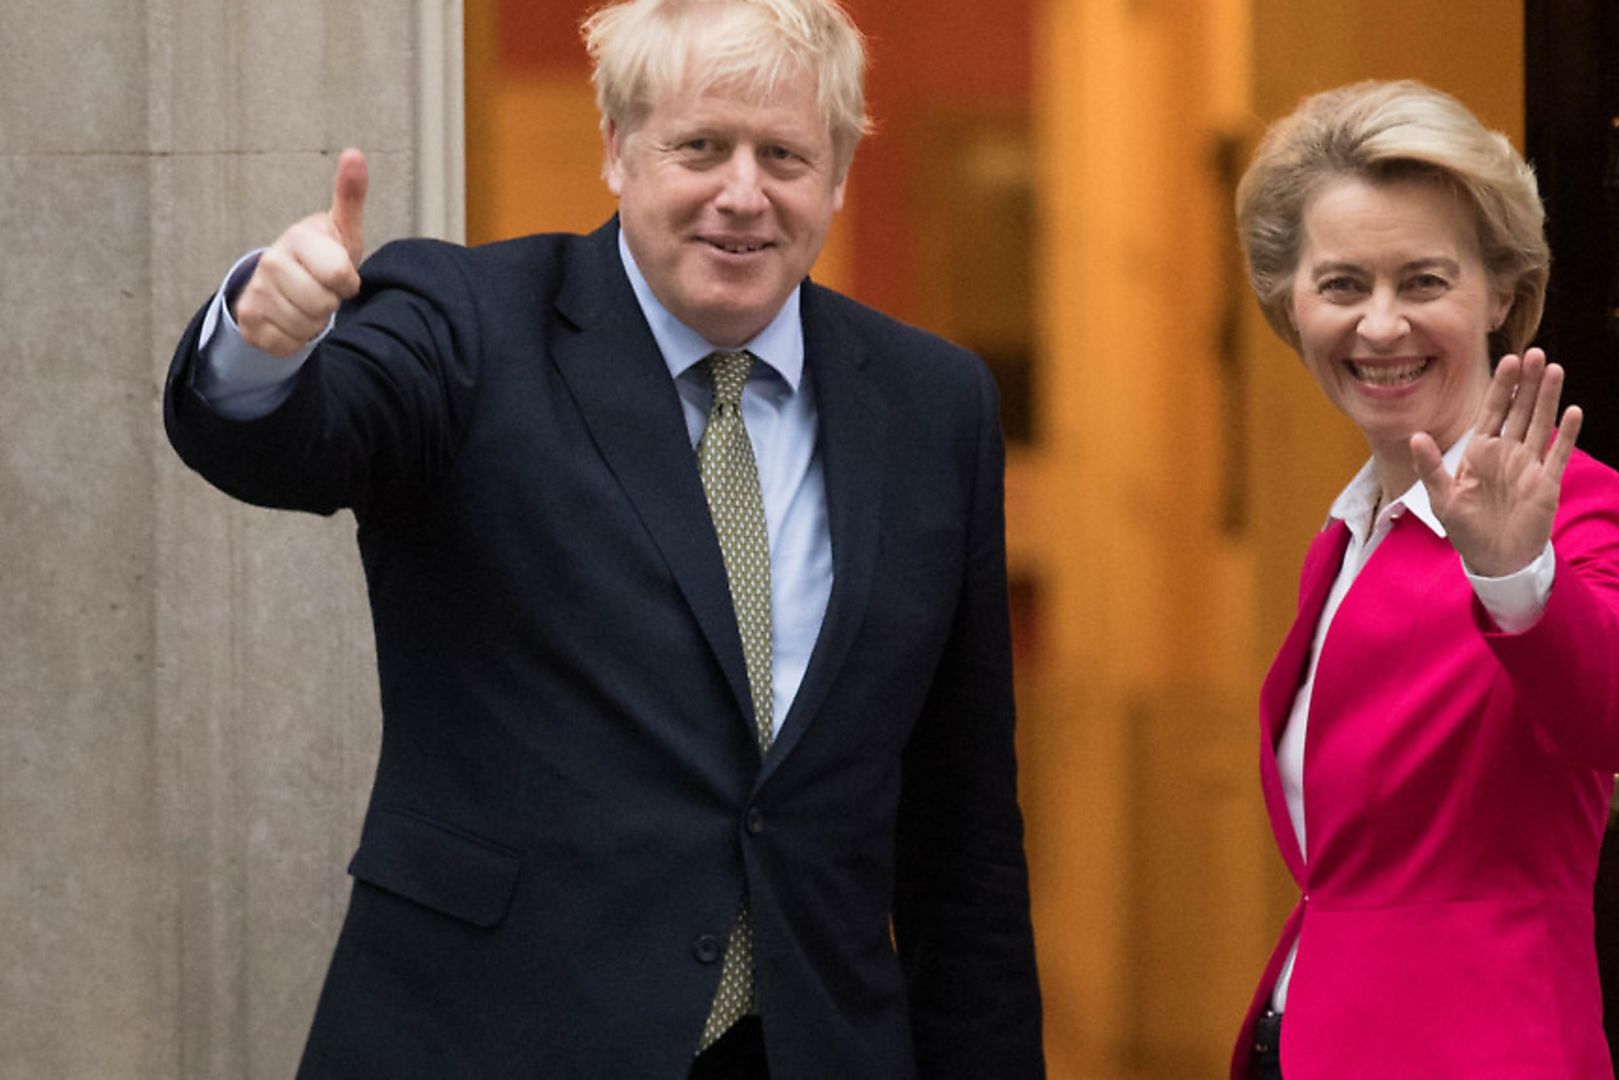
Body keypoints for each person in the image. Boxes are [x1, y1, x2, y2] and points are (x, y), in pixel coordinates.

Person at [162, 1, 1045, 1076]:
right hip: (495, 1038)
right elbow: (299, 440)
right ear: (618, 152)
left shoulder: (932, 405)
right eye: (700, 147)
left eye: (784, 155)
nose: (742, 193)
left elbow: (963, 843)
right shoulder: (471, 324)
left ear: (842, 173)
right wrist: (267, 345)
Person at [1227, 80, 1619, 1079]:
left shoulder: (1570, 507)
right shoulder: (1345, 536)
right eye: (1342, 285)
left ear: (1501, 292)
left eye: (1424, 281)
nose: (1380, 327)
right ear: (1290, 302)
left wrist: (1515, 573)